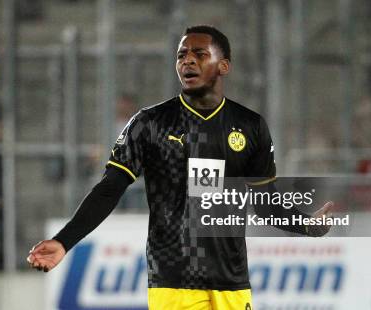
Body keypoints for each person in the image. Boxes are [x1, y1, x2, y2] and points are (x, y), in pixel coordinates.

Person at [27, 25, 333, 309]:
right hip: (175, 282)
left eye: (199, 54)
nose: (188, 61)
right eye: (182, 55)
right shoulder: (150, 124)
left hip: (233, 283)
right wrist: (64, 241)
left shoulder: (250, 126)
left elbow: (265, 204)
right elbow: (109, 189)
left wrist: (307, 225)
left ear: (223, 66)